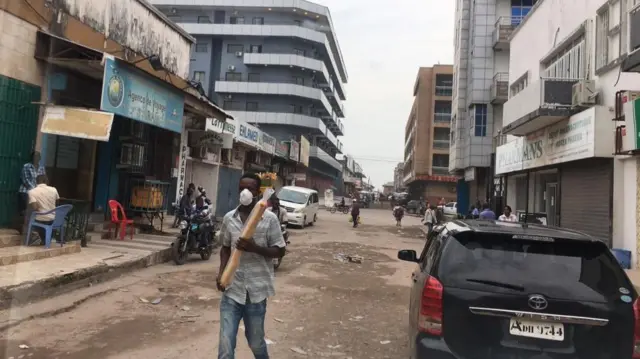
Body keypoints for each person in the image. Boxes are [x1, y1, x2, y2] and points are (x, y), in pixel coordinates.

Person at [216, 173, 286, 359]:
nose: (245, 192)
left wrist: (255, 248)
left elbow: (280, 250)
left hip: (256, 293)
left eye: (250, 188)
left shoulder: (269, 219)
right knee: (225, 344)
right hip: (232, 289)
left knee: (255, 343)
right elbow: (224, 247)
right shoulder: (229, 218)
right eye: (241, 188)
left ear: (257, 192)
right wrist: (221, 273)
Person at [27, 175, 59, 245]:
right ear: (46, 181)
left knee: (31, 218)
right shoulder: (54, 189)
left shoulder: (32, 192)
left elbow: (35, 207)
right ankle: (46, 241)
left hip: (40, 219)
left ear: (36, 182)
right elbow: (57, 203)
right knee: (49, 226)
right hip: (53, 218)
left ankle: (36, 237)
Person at [18, 151, 46, 217]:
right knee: (27, 209)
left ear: (40, 158)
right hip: (26, 191)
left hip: (37, 192)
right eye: (35, 156)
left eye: (38, 156)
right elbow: (26, 180)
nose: (36, 158)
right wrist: (36, 190)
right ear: (32, 158)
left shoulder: (41, 168)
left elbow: (43, 179)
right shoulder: (26, 166)